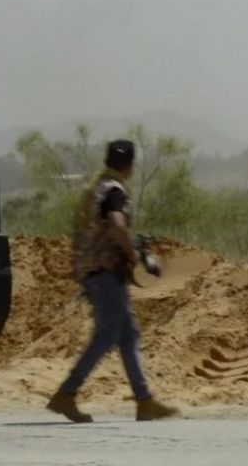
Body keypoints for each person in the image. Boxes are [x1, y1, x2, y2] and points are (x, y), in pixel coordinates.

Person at [46, 140, 179, 423]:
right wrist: (134, 256)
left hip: (96, 271)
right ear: (129, 165)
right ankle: (67, 393)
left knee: (128, 336)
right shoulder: (114, 191)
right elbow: (117, 226)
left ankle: (144, 401)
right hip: (105, 273)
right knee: (106, 336)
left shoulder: (98, 187)